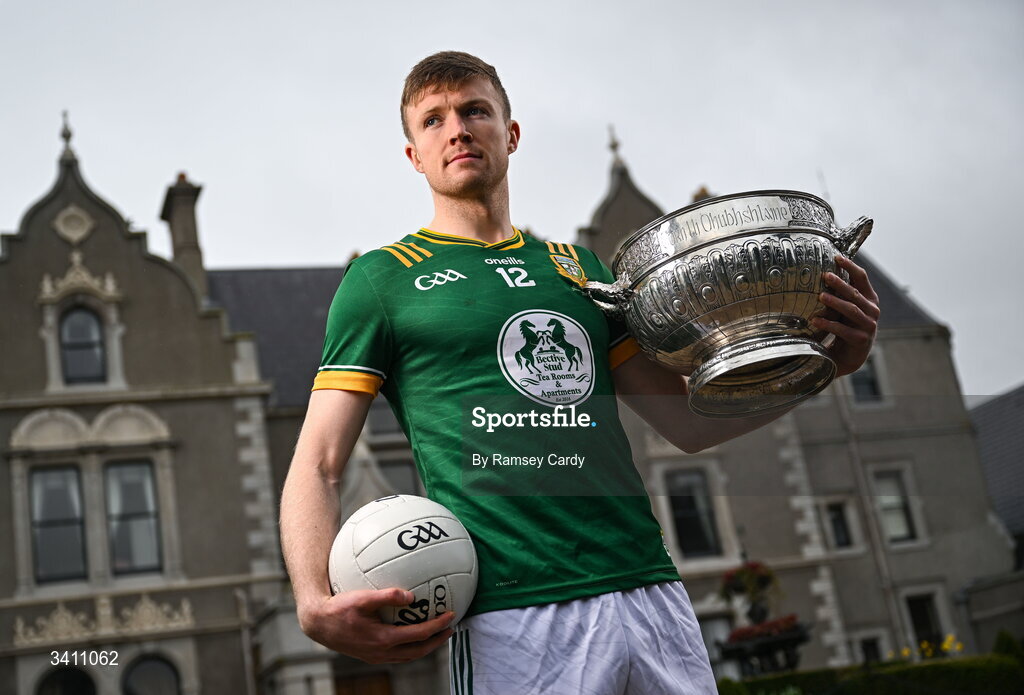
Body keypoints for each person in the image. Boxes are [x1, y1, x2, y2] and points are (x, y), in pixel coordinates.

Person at [279, 51, 880, 694]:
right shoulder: (381, 280)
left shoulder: (581, 271)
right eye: (433, 120)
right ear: (414, 156)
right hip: (515, 614)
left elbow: (687, 421)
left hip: (651, 592)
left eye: (475, 110)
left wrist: (820, 369)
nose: (457, 129)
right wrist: (313, 600)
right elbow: (318, 460)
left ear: (510, 134)